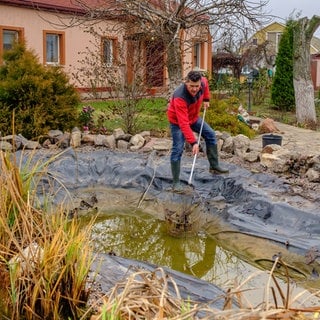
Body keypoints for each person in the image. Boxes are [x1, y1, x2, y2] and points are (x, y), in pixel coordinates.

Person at [167, 70, 229, 192]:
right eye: (191, 86)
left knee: (210, 134)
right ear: (186, 83)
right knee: (178, 148)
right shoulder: (180, 97)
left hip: (193, 117)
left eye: (197, 86)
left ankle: (214, 166)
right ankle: (175, 183)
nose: (195, 89)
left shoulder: (203, 83)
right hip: (178, 122)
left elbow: (205, 85)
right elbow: (183, 123)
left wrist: (206, 99)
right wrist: (194, 142)